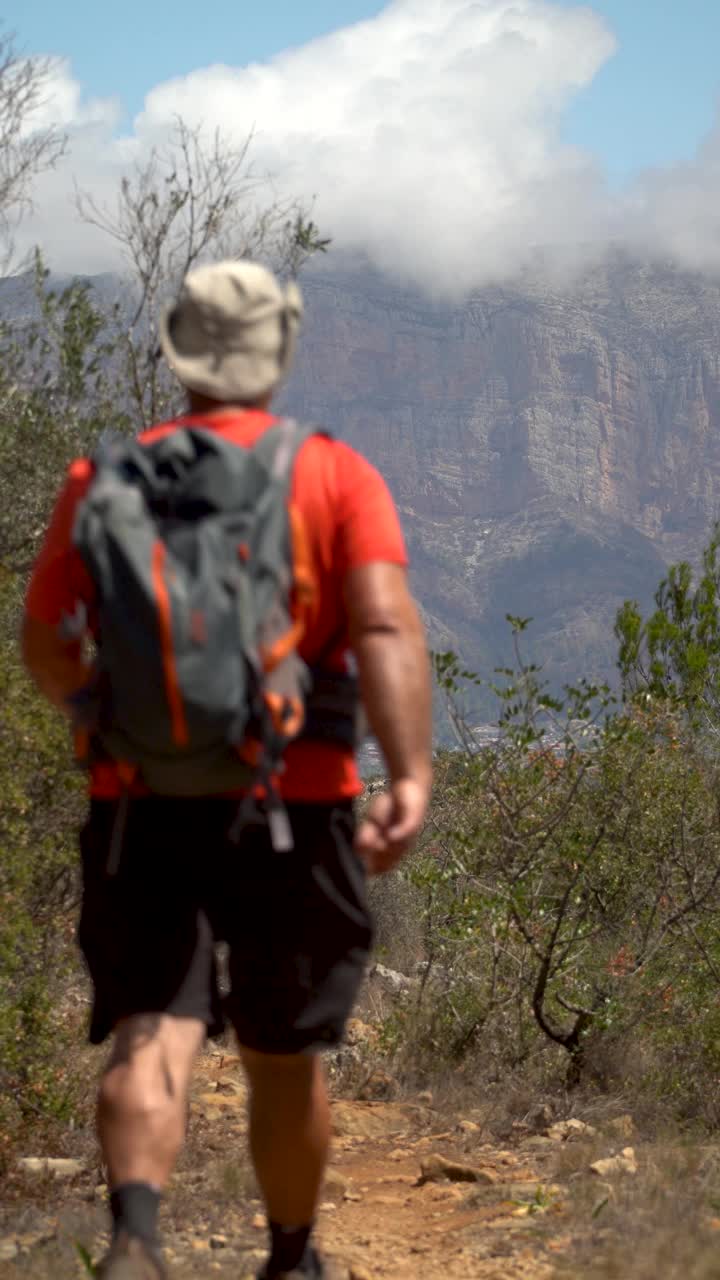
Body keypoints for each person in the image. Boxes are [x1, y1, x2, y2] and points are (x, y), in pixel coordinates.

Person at [21, 260, 432, 1280]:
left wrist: (95, 715)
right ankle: (291, 1260)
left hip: (139, 806)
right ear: (277, 353)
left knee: (153, 1028)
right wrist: (411, 774)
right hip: (295, 807)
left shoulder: (104, 478)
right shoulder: (333, 474)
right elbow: (382, 624)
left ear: (179, 350)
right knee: (284, 1055)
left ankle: (134, 1238)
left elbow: (42, 638)